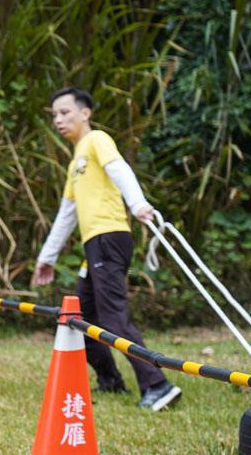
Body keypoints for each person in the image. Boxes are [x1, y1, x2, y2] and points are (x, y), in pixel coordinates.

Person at [33, 86, 182, 411]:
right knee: (78, 316)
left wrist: (138, 204)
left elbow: (119, 170)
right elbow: (66, 213)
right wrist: (47, 257)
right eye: (54, 115)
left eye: (65, 112)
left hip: (109, 238)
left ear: (85, 113)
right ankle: (111, 382)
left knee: (113, 316)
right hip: (94, 247)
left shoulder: (97, 140)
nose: (59, 119)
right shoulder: (76, 162)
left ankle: (157, 385)